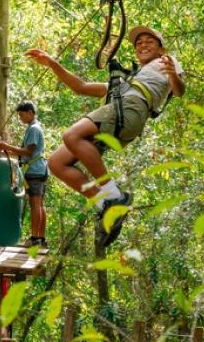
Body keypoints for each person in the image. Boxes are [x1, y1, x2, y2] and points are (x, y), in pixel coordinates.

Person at [26, 25, 184, 247]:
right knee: (57, 163)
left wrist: (172, 74)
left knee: (71, 135)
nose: (143, 45)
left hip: (133, 108)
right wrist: (51, 63)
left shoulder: (166, 63)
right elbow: (80, 87)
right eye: (138, 43)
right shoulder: (127, 81)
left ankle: (114, 195)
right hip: (122, 109)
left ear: (161, 48)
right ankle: (106, 206)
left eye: (149, 41)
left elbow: (179, 91)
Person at [0, 101, 48, 247]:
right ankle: (41, 238)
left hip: (35, 171)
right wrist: (7, 150)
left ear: (30, 113)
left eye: (22, 115)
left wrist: (6, 146)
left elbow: (28, 151)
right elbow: (26, 152)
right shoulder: (34, 127)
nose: (20, 118)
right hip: (39, 169)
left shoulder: (34, 129)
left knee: (35, 204)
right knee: (39, 204)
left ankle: (35, 238)